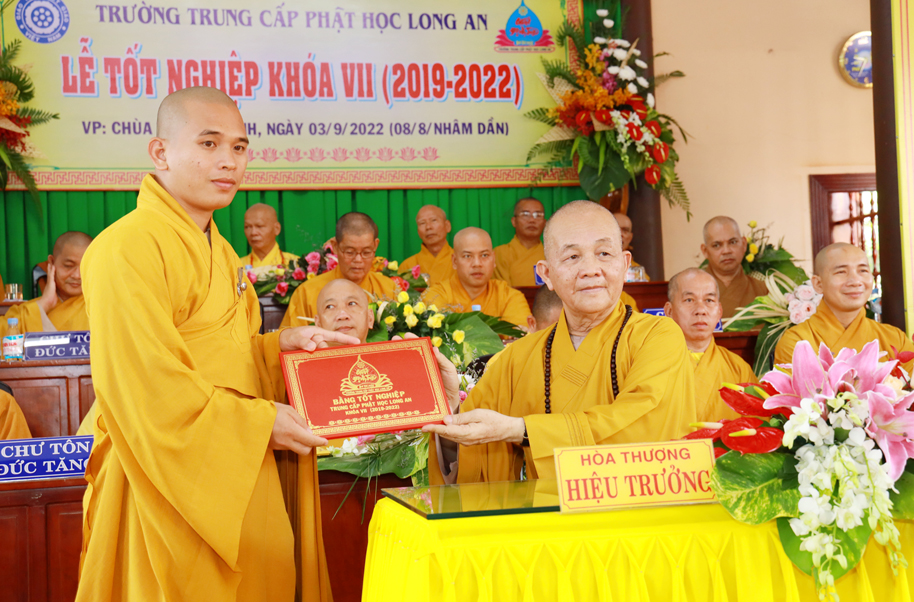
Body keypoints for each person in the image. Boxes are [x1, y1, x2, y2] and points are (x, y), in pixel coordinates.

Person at [75, 87, 359, 602]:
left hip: (238, 461)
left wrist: (281, 345)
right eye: (209, 144)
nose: (229, 161)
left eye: (239, 147)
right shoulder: (124, 248)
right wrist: (258, 423)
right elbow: (146, 385)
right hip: (164, 473)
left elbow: (227, 350)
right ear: (160, 152)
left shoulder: (222, 251)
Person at [423, 202, 697, 484]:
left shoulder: (658, 336)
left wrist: (523, 430)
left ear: (625, 264)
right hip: (544, 510)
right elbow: (474, 452)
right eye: (572, 256)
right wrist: (451, 408)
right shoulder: (519, 356)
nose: (590, 269)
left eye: (604, 253)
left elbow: (641, 424)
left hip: (634, 508)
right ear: (546, 274)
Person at [775, 243, 914, 369]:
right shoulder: (796, 342)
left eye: (863, 271)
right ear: (818, 284)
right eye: (841, 272)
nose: (855, 281)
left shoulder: (895, 339)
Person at [664, 268, 756, 422]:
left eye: (709, 300)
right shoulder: (652, 364)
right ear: (669, 311)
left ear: (719, 311)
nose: (700, 310)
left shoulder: (738, 368)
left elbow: (758, 425)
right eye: (689, 300)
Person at [281, 213, 396, 327]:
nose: (358, 260)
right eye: (350, 252)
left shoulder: (388, 288)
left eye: (366, 252)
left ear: (375, 245)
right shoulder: (307, 292)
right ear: (335, 246)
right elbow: (289, 336)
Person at [423, 227, 532, 328]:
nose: (477, 264)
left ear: (493, 259)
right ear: (455, 261)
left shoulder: (509, 297)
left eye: (484, 255)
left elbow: (520, 335)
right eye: (467, 256)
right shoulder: (435, 295)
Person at [0, 231, 91, 337]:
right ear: (51, 262)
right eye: (68, 266)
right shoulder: (25, 311)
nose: (77, 275)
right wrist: (43, 304)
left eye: (84, 267)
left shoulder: (98, 308)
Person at [701, 216, 768, 318]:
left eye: (733, 242)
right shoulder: (690, 292)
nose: (726, 251)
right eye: (717, 245)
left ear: (744, 244)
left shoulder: (763, 290)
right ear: (705, 251)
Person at [494, 197, 546, 287]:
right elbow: (501, 290)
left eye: (538, 215)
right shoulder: (500, 253)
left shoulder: (551, 255)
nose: (532, 220)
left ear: (544, 222)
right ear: (514, 221)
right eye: (525, 214)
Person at [400, 205, 453, 285]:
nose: (428, 227)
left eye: (434, 220)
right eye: (422, 223)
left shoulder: (460, 261)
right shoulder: (407, 266)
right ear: (418, 232)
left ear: (447, 226)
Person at [239, 203, 299, 268]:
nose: (253, 233)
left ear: (277, 229)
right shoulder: (237, 265)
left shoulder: (296, 264)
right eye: (247, 227)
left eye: (259, 226)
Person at [613, 212, 650, 281]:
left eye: (625, 231)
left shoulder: (638, 273)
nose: (621, 234)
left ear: (630, 238)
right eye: (616, 229)